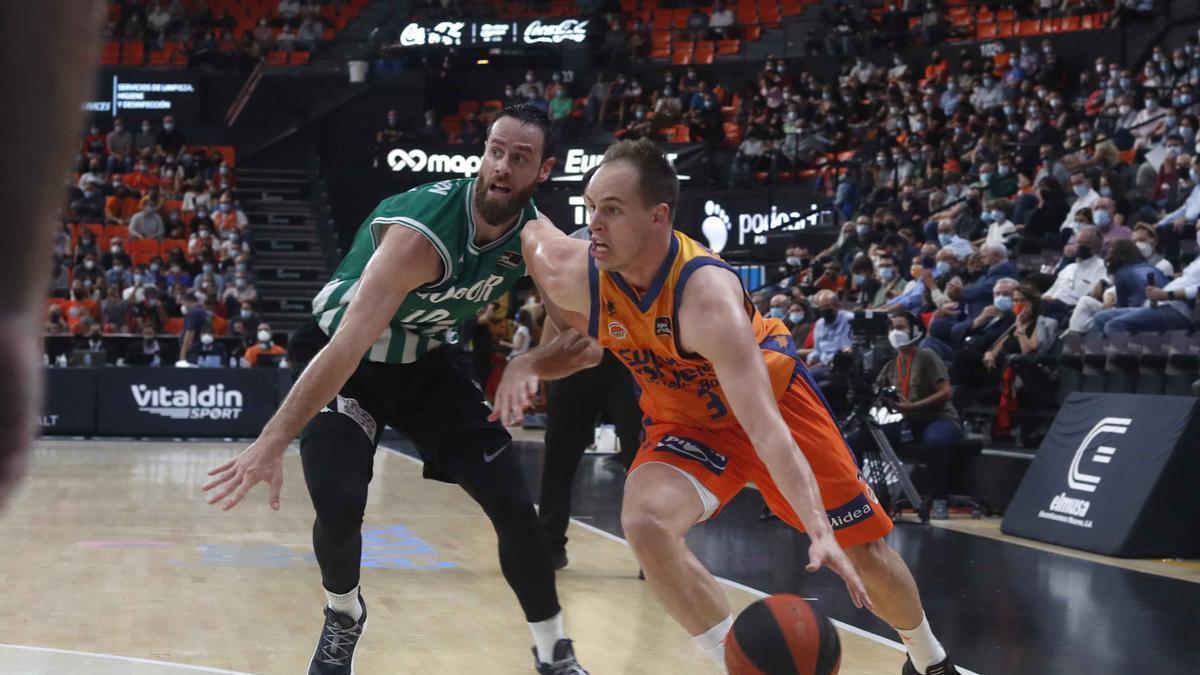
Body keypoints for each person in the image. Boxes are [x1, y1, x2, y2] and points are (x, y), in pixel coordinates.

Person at [496, 139, 959, 675]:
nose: (595, 223)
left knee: (865, 554)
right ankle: (740, 666)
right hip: (686, 421)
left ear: (658, 217)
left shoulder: (706, 297)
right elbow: (538, 254)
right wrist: (527, 361)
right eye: (591, 206)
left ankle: (929, 660)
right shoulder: (570, 268)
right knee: (645, 522)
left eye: (614, 209)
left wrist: (818, 529)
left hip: (774, 406)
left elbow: (765, 429)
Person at [201, 105, 590, 675]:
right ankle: (343, 614)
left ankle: (555, 654)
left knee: (512, 503)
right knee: (338, 504)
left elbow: (583, 340)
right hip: (345, 354)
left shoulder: (537, 239)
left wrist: (528, 361)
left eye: (519, 158)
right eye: (495, 150)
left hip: (428, 362)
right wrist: (271, 440)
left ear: (543, 171)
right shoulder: (420, 234)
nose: (501, 167)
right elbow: (345, 349)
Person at [853, 311, 962, 520]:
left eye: (901, 327)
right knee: (856, 441)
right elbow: (876, 392)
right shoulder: (890, 365)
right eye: (893, 327)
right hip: (907, 421)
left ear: (914, 330)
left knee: (936, 441)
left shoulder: (927, 355)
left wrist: (914, 406)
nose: (896, 331)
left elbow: (946, 392)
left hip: (939, 417)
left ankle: (940, 499)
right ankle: (855, 497)